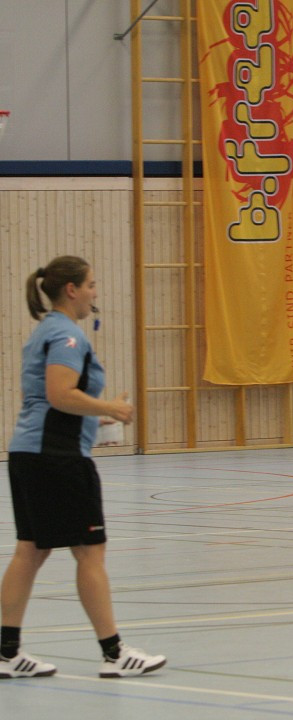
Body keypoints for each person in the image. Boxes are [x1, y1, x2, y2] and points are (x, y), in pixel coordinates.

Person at [0, 256, 166, 679]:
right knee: (90, 551)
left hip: (31, 454)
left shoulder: (48, 331)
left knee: (31, 549)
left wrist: (95, 419)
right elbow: (60, 394)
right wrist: (110, 405)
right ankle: (115, 653)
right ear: (71, 290)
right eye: (91, 284)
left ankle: (5, 652)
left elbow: (53, 400)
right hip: (57, 459)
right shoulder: (67, 335)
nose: (95, 292)